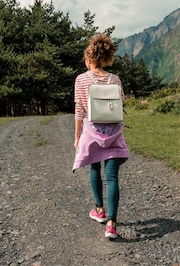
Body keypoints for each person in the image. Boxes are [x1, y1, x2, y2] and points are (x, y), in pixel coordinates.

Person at [72, 33, 129, 240]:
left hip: (92, 131)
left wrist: (77, 136)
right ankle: (112, 225)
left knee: (94, 166)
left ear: (89, 58)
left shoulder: (81, 79)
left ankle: (99, 210)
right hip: (113, 132)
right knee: (112, 177)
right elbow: (121, 103)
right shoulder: (115, 79)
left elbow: (79, 110)